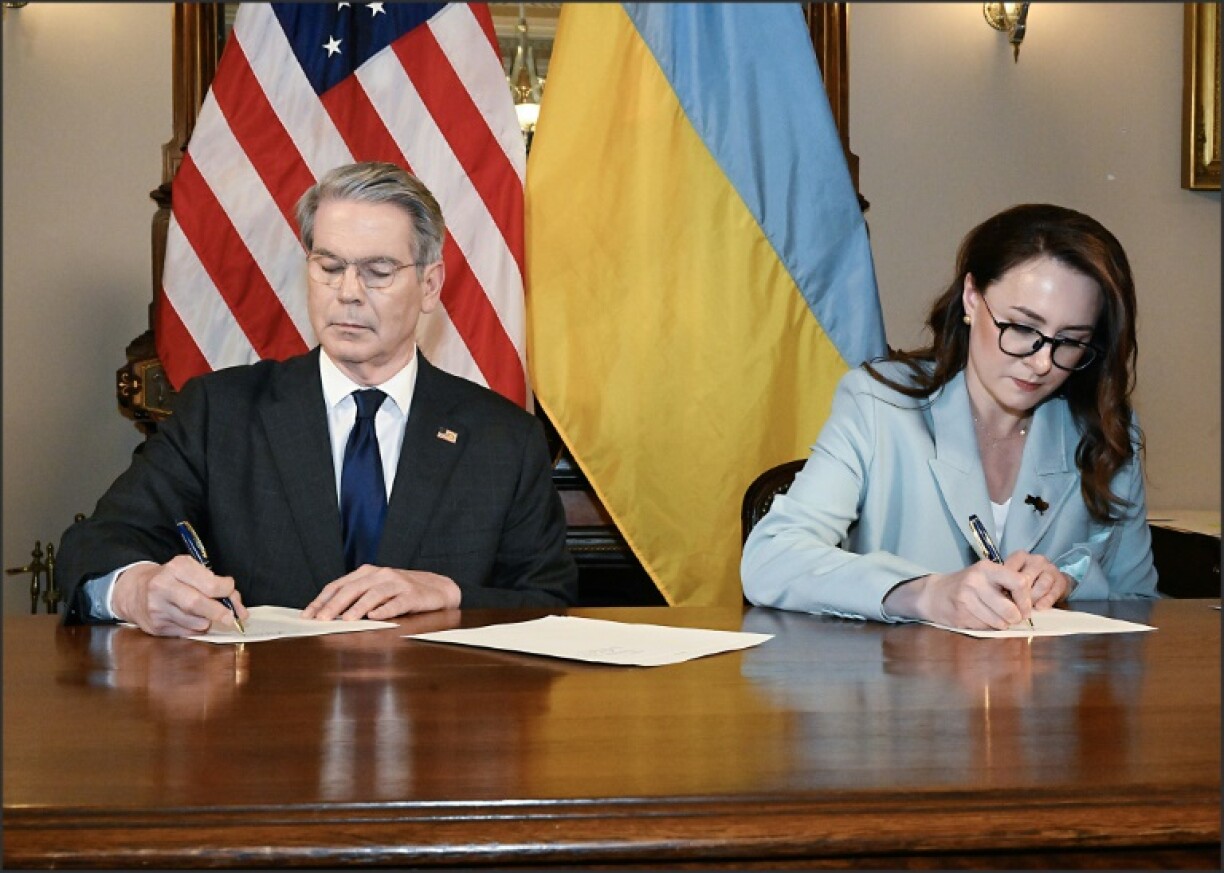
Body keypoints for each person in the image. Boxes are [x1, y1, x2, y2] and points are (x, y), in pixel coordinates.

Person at [59, 161, 578, 636]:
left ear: (429, 285)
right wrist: (139, 589)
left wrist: (451, 594)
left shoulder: (503, 438)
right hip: (260, 718)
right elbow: (95, 544)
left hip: (433, 721)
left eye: (377, 272)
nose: (348, 292)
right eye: (329, 267)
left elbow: (548, 602)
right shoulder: (222, 412)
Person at [741, 203, 1158, 630]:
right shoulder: (878, 405)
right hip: (903, 688)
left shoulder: (1105, 430)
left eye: (1070, 341)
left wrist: (1068, 583)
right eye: (1022, 328)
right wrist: (924, 592)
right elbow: (771, 558)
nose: (1043, 363)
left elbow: (1140, 604)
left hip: (1045, 689)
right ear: (972, 298)